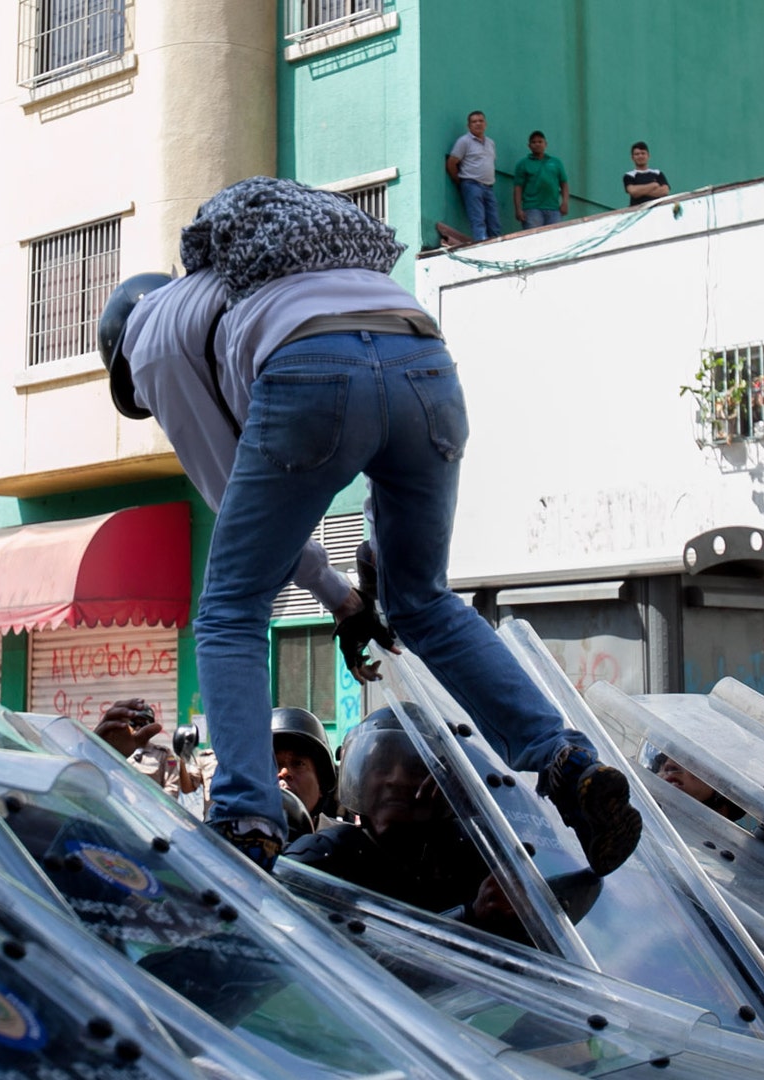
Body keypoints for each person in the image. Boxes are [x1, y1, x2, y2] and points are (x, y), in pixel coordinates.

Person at [102, 176, 640, 878]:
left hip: (314, 367)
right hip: (424, 361)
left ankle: (246, 820)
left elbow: (232, 489)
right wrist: (358, 592)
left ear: (123, 350)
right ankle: (568, 764)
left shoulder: (153, 338)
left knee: (231, 608)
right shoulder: (246, 287)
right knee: (423, 601)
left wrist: (334, 596)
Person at [286, 708, 519, 936]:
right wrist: (469, 915)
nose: (396, 779)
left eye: (414, 768)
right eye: (382, 766)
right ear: (361, 778)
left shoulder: (468, 855)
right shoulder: (323, 855)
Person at [271, 706, 338, 834]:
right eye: (273, 765)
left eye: (298, 764)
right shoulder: (232, 846)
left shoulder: (349, 846)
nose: (284, 773)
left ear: (321, 783)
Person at [445, 110, 500, 241]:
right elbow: (451, 163)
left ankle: (497, 247)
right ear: (468, 126)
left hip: (488, 187)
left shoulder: (490, 143)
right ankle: (481, 246)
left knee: (494, 221)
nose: (478, 124)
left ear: (485, 124)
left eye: (480, 121)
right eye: (474, 122)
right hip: (472, 185)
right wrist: (460, 182)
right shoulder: (464, 141)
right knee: (478, 220)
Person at [511, 131, 569, 230]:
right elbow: (518, 188)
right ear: (529, 146)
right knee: (533, 241)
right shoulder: (523, 164)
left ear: (545, 144)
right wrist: (518, 209)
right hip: (532, 209)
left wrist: (565, 202)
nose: (537, 144)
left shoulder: (556, 163)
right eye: (533, 142)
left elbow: (564, 183)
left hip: (554, 209)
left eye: (540, 141)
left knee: (555, 241)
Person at [623, 141, 670, 207]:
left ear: (648, 156)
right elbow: (633, 192)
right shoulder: (629, 175)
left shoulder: (657, 173)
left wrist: (641, 192)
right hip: (637, 212)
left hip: (657, 210)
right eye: (637, 154)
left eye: (643, 153)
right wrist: (653, 185)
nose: (640, 156)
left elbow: (665, 191)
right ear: (632, 158)